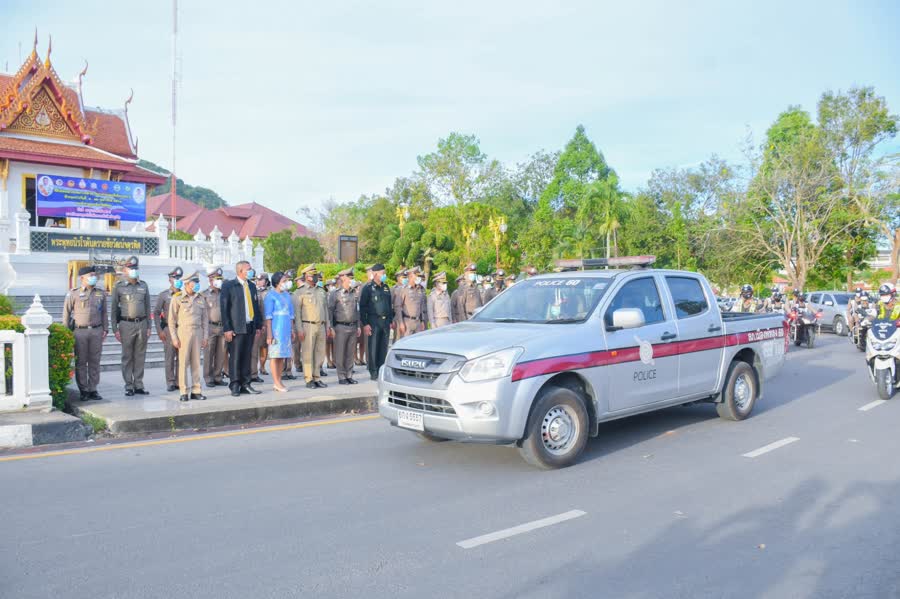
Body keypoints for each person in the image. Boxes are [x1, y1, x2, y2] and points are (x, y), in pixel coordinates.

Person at [63, 265, 108, 401]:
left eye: (95, 275)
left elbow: (104, 312)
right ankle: (84, 390)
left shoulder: (100, 293)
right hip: (79, 331)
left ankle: (93, 388)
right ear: (82, 278)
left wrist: (105, 329)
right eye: (91, 275)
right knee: (81, 362)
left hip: (96, 331)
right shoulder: (73, 293)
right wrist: (66, 332)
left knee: (95, 361)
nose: (94, 278)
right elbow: (66, 313)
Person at [221, 260, 264, 397]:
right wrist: (227, 328)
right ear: (240, 271)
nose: (251, 271)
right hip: (236, 327)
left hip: (250, 326)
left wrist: (258, 325)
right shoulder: (229, 286)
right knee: (235, 356)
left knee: (247, 356)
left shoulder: (251, 286)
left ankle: (246, 383)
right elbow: (225, 308)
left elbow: (255, 307)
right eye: (248, 269)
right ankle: (235, 384)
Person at [110, 255, 151, 397]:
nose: (134, 270)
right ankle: (128, 385)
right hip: (126, 324)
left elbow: (148, 307)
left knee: (140, 356)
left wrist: (149, 327)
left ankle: (138, 384)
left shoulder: (143, 285)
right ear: (125, 270)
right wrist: (115, 329)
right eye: (131, 268)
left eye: (136, 268)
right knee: (127, 356)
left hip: (142, 323)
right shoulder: (119, 287)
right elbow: (114, 309)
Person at [169, 271, 208, 402]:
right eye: (194, 282)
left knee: (196, 363)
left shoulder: (201, 298)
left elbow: (205, 320)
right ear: (187, 283)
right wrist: (174, 337)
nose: (197, 285)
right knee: (183, 363)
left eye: (198, 282)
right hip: (183, 333)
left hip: (197, 332)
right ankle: (183, 391)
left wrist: (205, 336)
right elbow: (171, 320)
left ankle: (196, 390)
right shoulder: (178, 298)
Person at [295, 264, 330, 389]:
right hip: (307, 326)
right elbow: (297, 313)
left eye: (316, 275)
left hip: (321, 325)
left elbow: (325, 310)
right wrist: (299, 329)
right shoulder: (300, 292)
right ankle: (308, 378)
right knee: (308, 353)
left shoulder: (321, 291)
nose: (315, 277)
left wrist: (328, 326)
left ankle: (317, 377)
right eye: (313, 275)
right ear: (307, 276)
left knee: (320, 353)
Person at [359, 263, 394, 380]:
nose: (384, 275)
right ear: (375, 274)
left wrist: (390, 320)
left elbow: (389, 305)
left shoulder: (386, 287)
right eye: (382, 273)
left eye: (384, 273)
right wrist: (365, 324)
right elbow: (362, 307)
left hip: (385, 322)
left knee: (383, 347)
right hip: (373, 321)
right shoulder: (367, 289)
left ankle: (381, 370)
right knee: (373, 347)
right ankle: (373, 371)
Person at [328, 268, 360, 385]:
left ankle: (349, 375)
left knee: (350, 352)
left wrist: (358, 326)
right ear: (343, 279)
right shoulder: (335, 294)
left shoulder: (354, 293)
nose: (352, 280)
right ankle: (341, 376)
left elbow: (357, 310)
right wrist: (331, 327)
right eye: (350, 278)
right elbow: (330, 311)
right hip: (340, 326)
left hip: (353, 326)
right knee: (340, 352)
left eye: (352, 278)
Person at [264, 271, 295, 392]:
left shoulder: (287, 295)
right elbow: (268, 317)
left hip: (286, 329)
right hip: (276, 328)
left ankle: (279, 380)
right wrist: (269, 334)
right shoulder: (270, 296)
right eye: (284, 281)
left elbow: (291, 314)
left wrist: (292, 330)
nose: (286, 283)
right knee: (275, 356)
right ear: (277, 282)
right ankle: (276, 382)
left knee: (282, 356)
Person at [154, 266, 183, 392]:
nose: (177, 280)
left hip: (182, 329)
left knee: (181, 358)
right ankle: (170, 382)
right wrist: (159, 331)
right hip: (168, 330)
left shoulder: (184, 294)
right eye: (175, 278)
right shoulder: (164, 295)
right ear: (170, 280)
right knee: (170, 357)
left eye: (179, 278)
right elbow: (156, 313)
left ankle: (179, 381)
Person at [202, 267, 227, 387]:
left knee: (221, 353)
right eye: (217, 278)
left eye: (220, 278)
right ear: (211, 280)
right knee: (209, 353)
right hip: (210, 327)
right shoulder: (204, 294)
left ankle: (217, 376)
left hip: (222, 327)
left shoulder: (224, 293)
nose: (219, 281)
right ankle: (208, 377)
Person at [250, 272, 269, 383]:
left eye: (261, 280)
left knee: (264, 346)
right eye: (258, 280)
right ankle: (253, 370)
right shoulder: (254, 292)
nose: (259, 281)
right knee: (254, 348)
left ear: (266, 281)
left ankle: (262, 367)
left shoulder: (269, 292)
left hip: (264, 322)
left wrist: (264, 324)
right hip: (254, 324)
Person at [398, 267, 427, 337]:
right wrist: (401, 323)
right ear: (411, 276)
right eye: (417, 276)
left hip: (418, 322)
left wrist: (422, 321)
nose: (419, 278)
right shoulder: (403, 290)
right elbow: (398, 307)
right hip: (407, 322)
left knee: (417, 344)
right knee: (405, 344)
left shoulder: (419, 289)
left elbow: (421, 306)